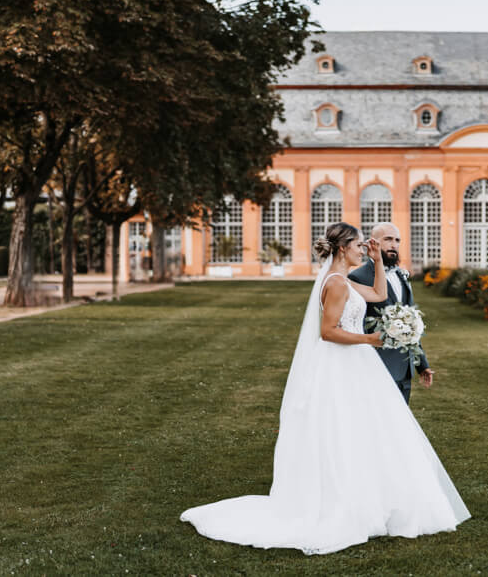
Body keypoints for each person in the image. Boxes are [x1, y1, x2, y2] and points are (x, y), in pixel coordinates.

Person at [180, 222, 470, 555]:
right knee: (341, 429)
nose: (363, 248)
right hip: (340, 363)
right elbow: (328, 332)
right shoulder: (334, 284)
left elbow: (379, 295)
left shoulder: (344, 280)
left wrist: (377, 262)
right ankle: (342, 499)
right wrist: (369, 339)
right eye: (359, 245)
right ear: (343, 247)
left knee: (370, 430)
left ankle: (368, 494)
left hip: (358, 363)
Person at [349, 223, 433, 404]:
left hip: (405, 368)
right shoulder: (359, 277)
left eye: (397, 240)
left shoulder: (402, 275)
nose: (394, 245)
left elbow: (410, 322)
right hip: (377, 365)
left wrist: (422, 365)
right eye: (388, 239)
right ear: (373, 242)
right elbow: (356, 324)